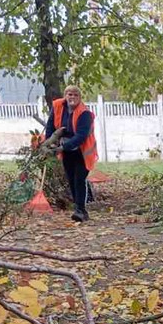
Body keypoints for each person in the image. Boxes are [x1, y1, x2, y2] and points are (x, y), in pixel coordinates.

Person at [43, 85, 98, 222]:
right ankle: (78, 208)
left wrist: (62, 147)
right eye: (69, 94)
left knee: (79, 179)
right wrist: (49, 143)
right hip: (67, 150)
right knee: (71, 179)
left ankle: (81, 210)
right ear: (65, 96)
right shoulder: (58, 107)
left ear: (79, 98)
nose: (72, 97)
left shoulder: (85, 114)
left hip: (83, 151)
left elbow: (81, 136)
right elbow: (50, 127)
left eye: (75, 95)